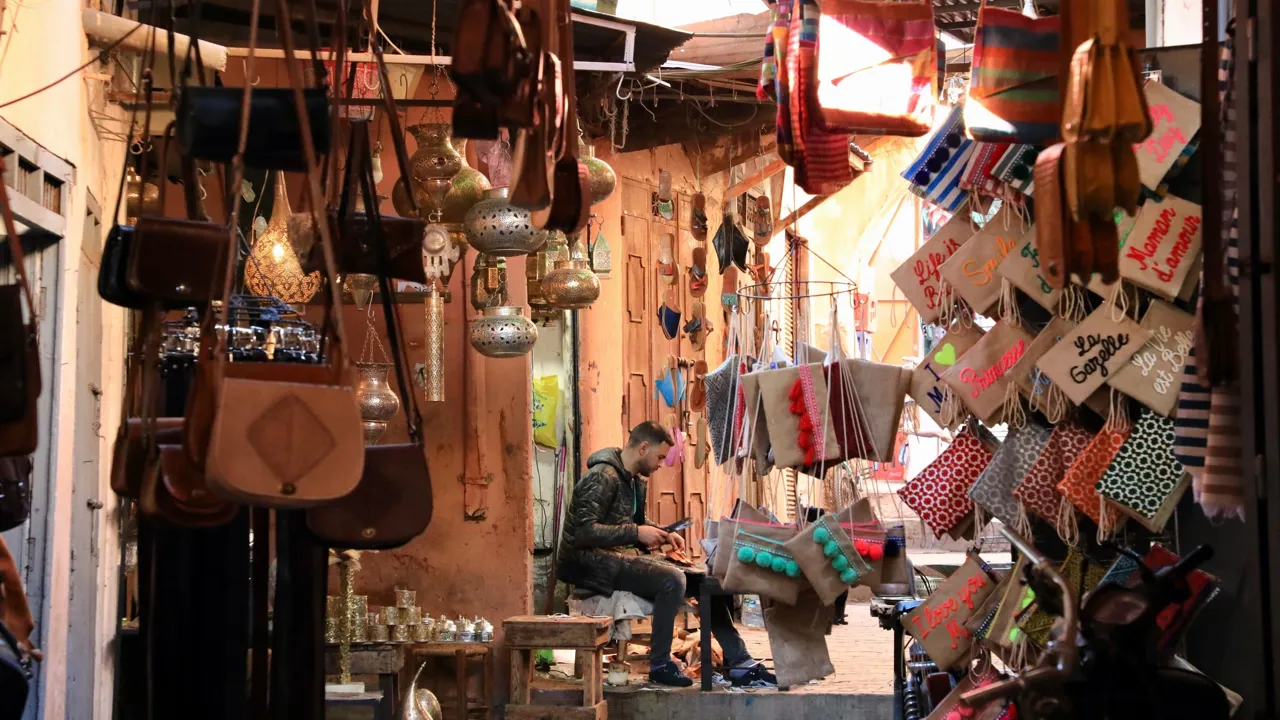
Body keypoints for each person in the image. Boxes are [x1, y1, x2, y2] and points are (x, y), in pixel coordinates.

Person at [558, 421, 771, 687]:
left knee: (703, 579)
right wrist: (637, 533)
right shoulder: (602, 476)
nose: (661, 464)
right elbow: (584, 532)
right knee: (672, 579)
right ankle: (660, 664)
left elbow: (634, 521)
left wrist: (662, 532)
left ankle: (739, 662)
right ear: (643, 448)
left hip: (610, 557)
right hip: (586, 563)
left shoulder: (633, 481)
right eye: (659, 457)